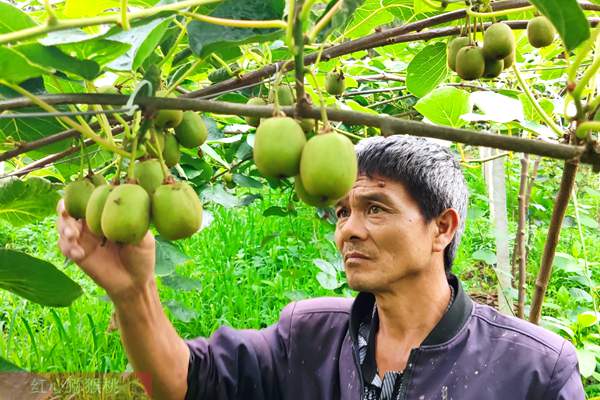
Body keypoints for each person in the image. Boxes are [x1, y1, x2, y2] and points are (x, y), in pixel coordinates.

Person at [57, 135, 585, 400]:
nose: (348, 230)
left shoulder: (535, 369)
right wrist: (133, 292)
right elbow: (175, 381)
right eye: (342, 212)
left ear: (441, 228)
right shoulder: (308, 334)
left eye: (374, 208)